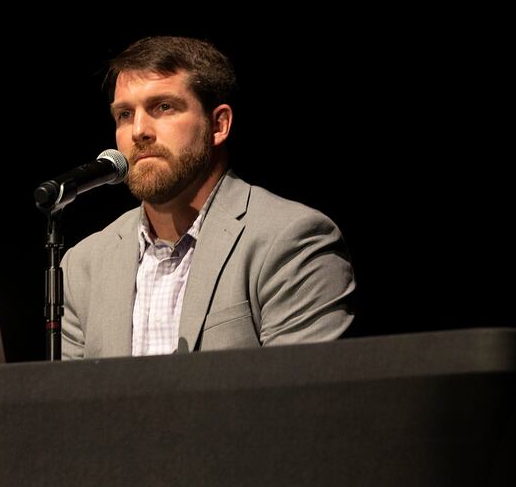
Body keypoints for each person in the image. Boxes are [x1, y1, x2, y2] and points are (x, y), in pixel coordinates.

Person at [61, 36, 355, 359]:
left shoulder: (292, 241)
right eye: (125, 115)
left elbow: (299, 399)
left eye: (163, 107)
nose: (138, 131)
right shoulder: (82, 267)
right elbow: (70, 406)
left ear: (218, 125)